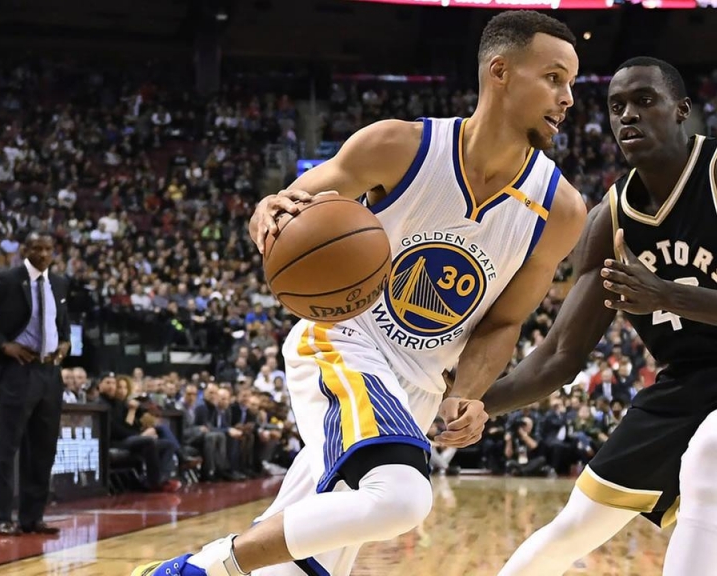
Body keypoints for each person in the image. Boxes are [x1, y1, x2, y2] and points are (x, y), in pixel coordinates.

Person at [134, 10, 587, 576]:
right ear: (499, 71)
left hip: (417, 394)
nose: (567, 97)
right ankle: (193, 569)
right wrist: (267, 212)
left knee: (296, 563)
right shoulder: (398, 146)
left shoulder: (561, 210)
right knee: (402, 498)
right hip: (343, 342)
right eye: (553, 78)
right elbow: (289, 205)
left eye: (570, 83)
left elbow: (503, 323)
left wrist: (466, 394)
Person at [482, 57, 717, 576]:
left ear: (681, 111)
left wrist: (667, 295)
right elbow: (561, 356)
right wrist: (471, 405)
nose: (628, 115)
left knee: (715, 450)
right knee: (576, 525)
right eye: (616, 107)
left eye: (645, 101)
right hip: (688, 385)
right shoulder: (610, 220)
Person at [0, 230, 71, 536]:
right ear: (25, 249)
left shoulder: (60, 283)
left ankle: (32, 517)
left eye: (48, 248)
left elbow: (62, 323)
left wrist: (65, 343)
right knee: (8, 447)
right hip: (19, 369)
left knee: (43, 449)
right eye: (37, 247)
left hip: (50, 372)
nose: (43, 253)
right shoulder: (8, 279)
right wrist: (3, 344)